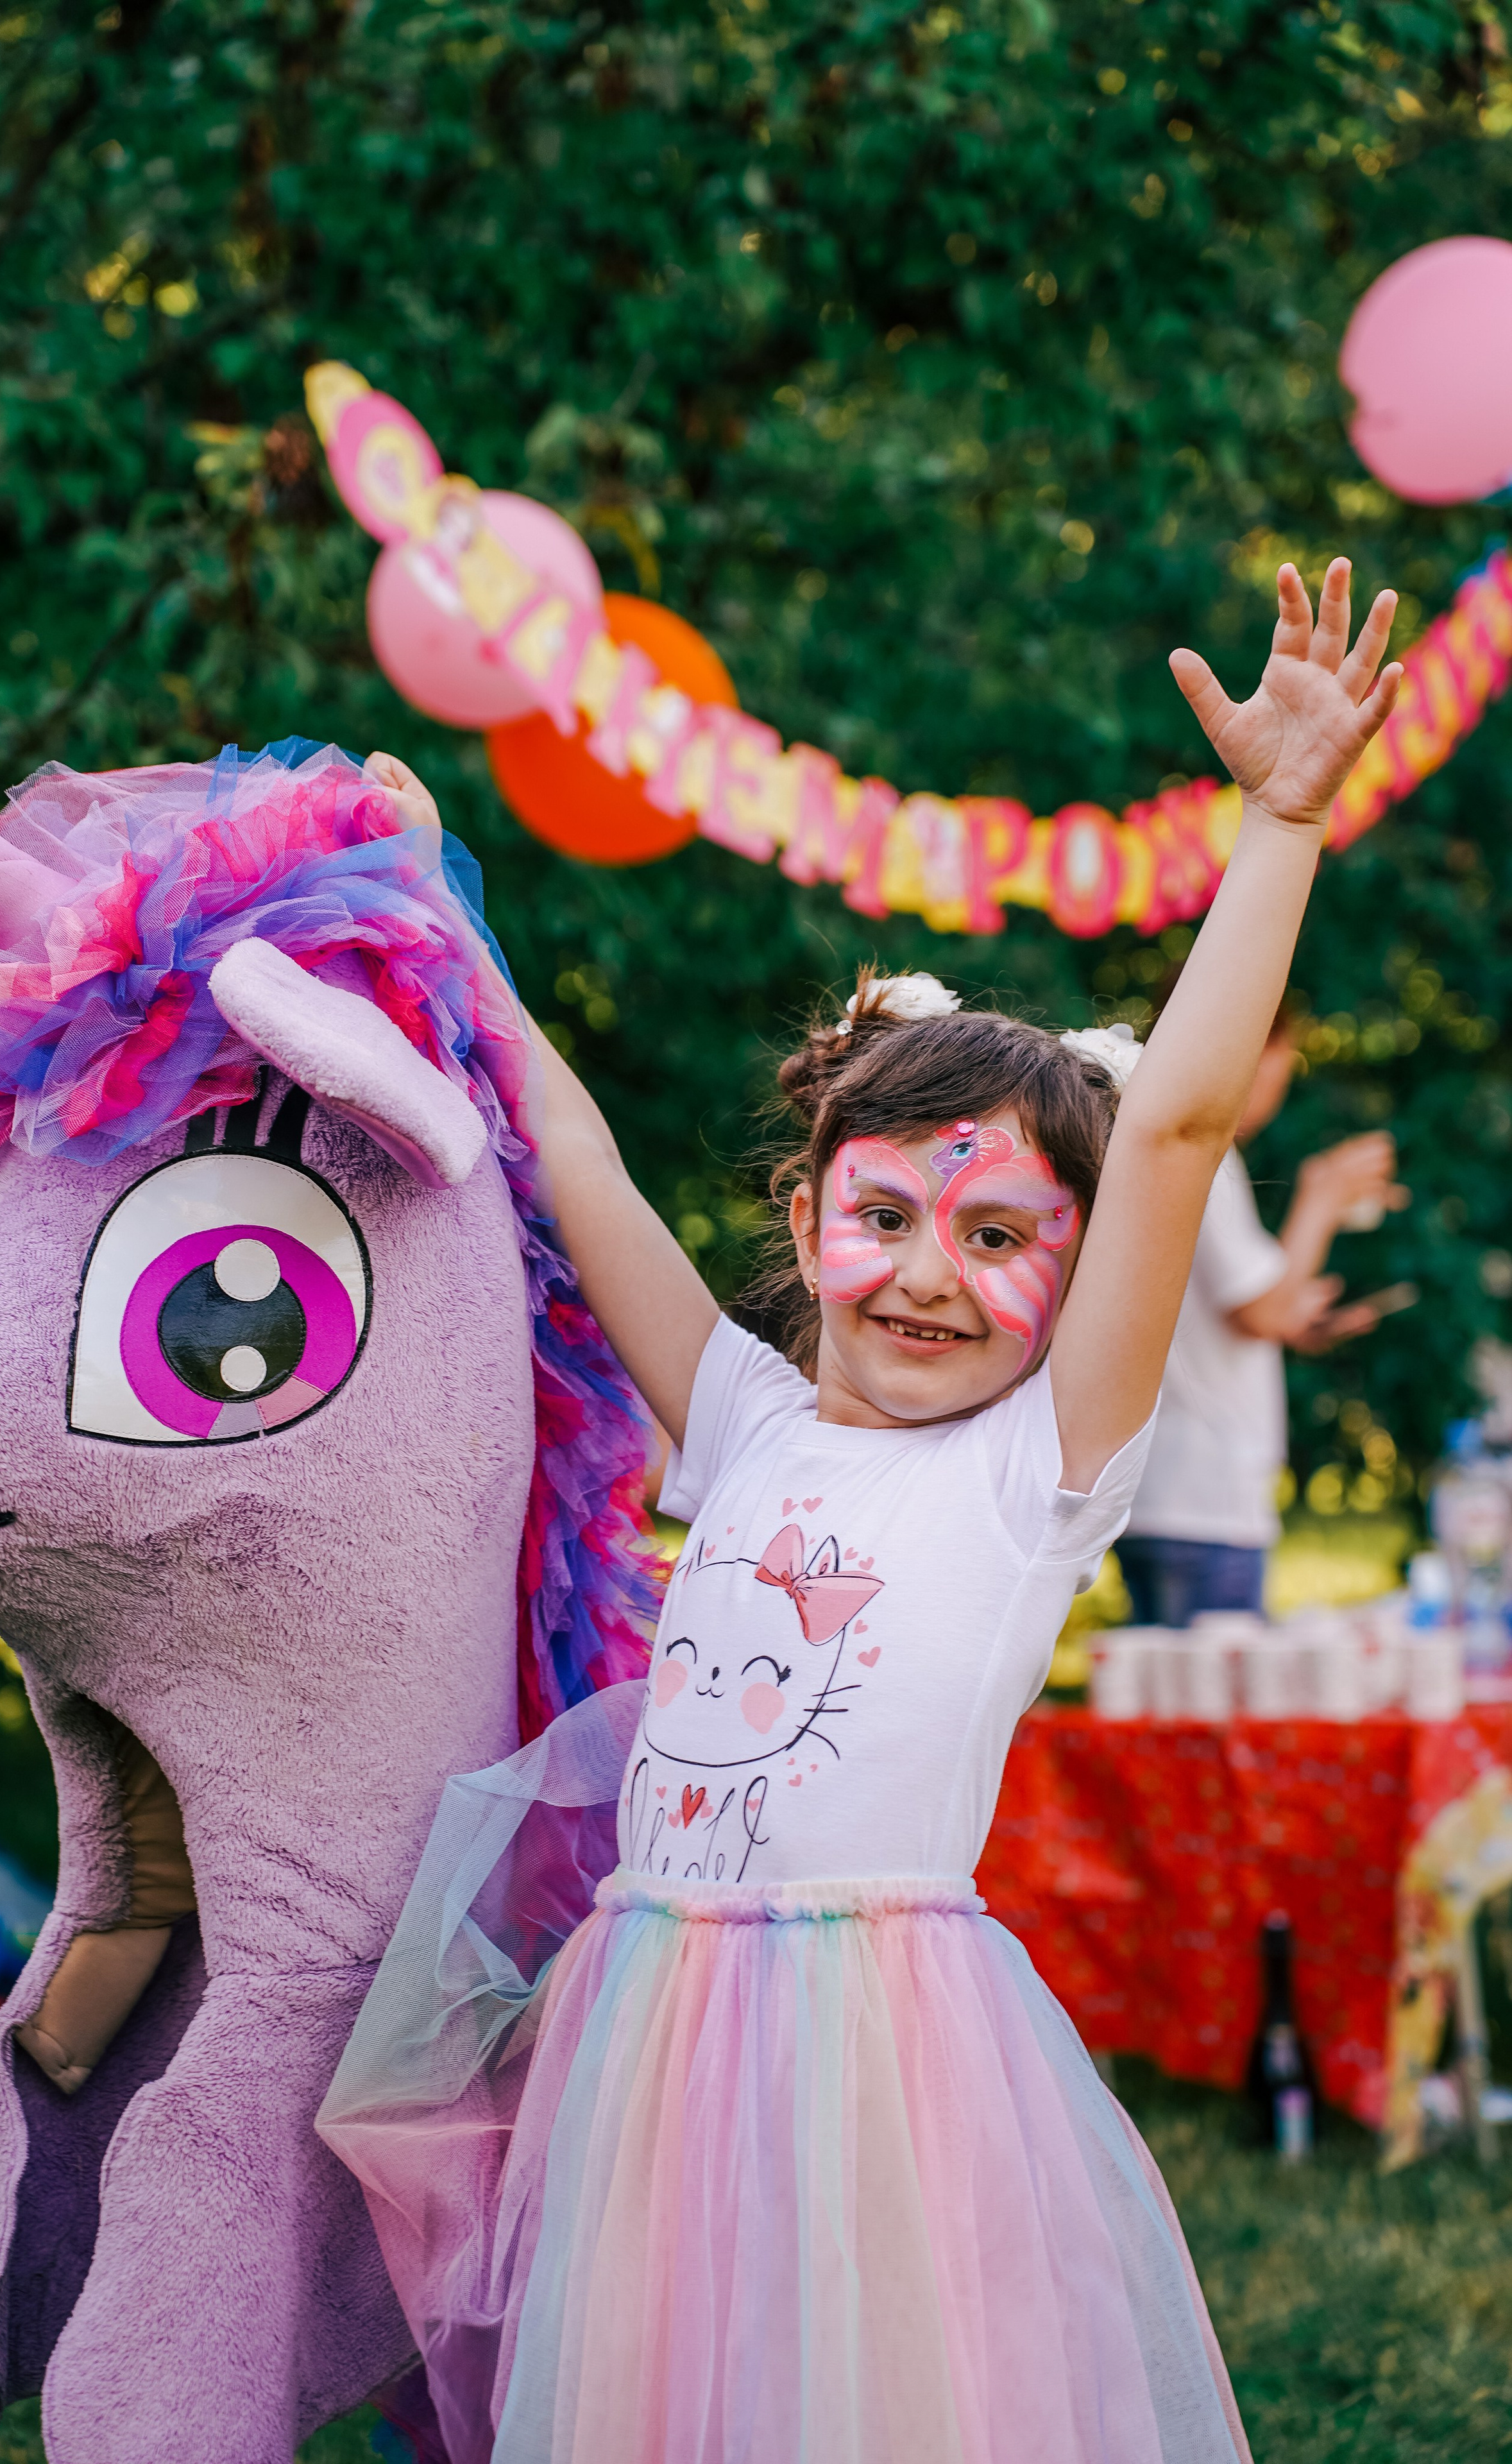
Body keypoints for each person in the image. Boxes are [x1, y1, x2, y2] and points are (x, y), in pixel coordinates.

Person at [320, 560, 1400, 2464]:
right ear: (809, 1211)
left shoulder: (1034, 1466)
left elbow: (1165, 1126)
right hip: (648, 2020)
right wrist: (431, 906)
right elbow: (565, 1143)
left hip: (880, 2052)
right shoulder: (738, 1415)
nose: (924, 1272)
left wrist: (1282, 823)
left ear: (1072, 1284)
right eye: (883, 1213)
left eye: (999, 1238)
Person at [1117, 988, 1407, 1626]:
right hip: (1202, 1501)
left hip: (1167, 1492)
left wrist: (1296, 1317)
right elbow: (1263, 1312)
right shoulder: (1203, 1152)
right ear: (1251, 1048)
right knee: (1207, 1718)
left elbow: (1234, 1312)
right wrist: (1322, 1196)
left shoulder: (1160, 1141)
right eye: (1285, 1056)